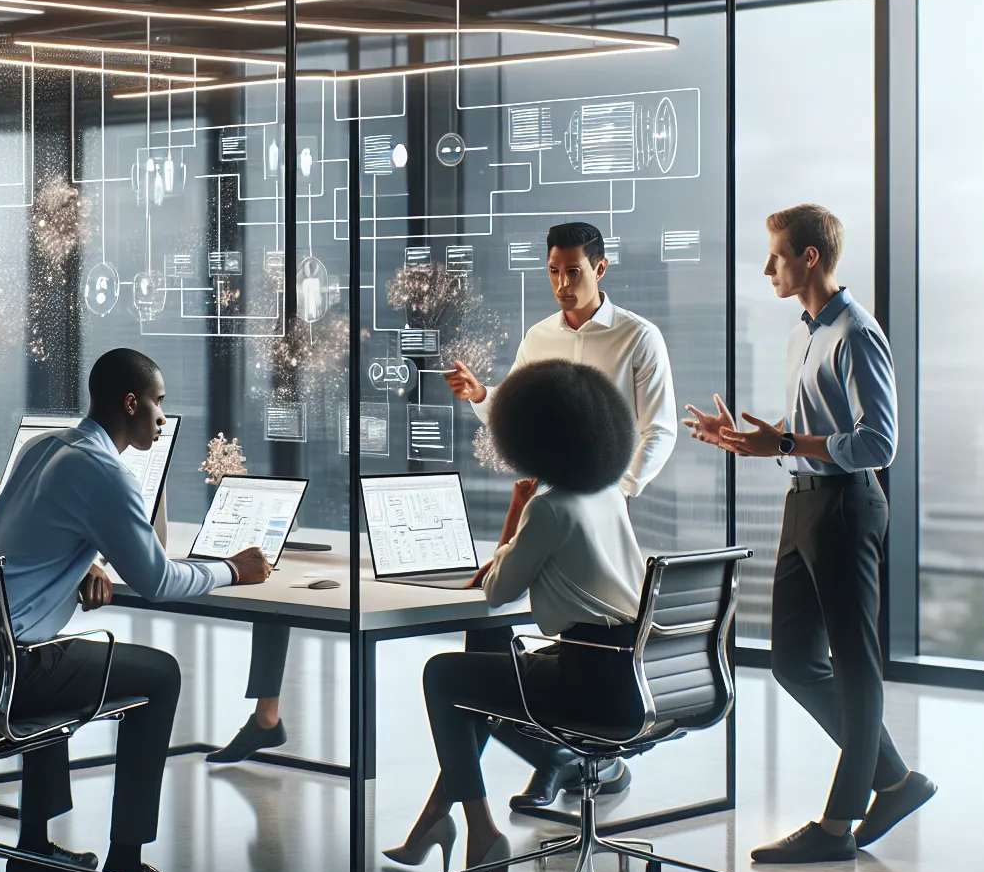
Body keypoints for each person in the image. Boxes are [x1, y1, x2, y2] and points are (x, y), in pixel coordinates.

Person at [208, 222, 674, 820]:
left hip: (598, 503)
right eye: (553, 271)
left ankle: (519, 777)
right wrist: (485, 397)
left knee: (468, 662)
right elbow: (518, 415)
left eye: (573, 271)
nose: (561, 283)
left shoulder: (638, 338)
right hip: (564, 513)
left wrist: (614, 484)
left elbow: (656, 430)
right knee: (483, 643)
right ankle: (528, 772)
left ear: (600, 268)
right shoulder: (540, 336)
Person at [0, 348, 272, 872]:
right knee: (159, 675)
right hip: (14, 662)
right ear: (130, 403)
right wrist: (236, 569)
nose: (163, 418)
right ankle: (126, 871)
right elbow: (157, 579)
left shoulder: (45, 447)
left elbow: (16, 540)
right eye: (158, 404)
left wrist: (79, 563)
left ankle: (34, 854)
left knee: (58, 647)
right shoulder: (106, 470)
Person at [683, 203, 935, 863]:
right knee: (794, 661)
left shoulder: (856, 332)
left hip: (848, 506)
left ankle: (836, 826)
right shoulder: (803, 334)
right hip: (804, 503)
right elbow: (805, 437)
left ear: (810, 257)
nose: (768, 267)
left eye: (776, 255)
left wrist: (788, 440)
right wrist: (753, 442)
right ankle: (896, 781)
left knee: (855, 664)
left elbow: (878, 442)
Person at [383, 361, 644, 872]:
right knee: (481, 679)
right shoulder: (610, 496)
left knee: (445, 678)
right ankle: (436, 818)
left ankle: (478, 828)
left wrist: (518, 512)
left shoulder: (549, 510)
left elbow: (499, 590)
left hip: (589, 683)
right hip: (636, 674)